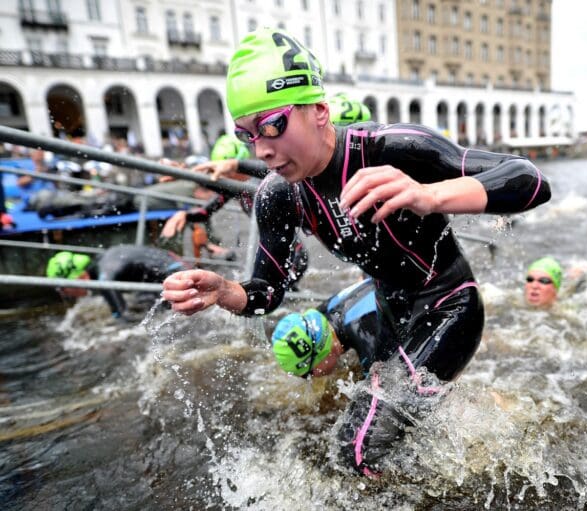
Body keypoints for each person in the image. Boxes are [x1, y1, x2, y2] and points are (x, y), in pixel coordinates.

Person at [162, 28, 550, 476]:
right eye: (247, 135)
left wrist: (428, 194)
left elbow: (531, 181)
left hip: (449, 305)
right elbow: (267, 291)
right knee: (380, 422)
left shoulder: (391, 148)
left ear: (320, 111)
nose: (262, 149)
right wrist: (225, 290)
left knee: (356, 451)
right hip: (387, 308)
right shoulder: (278, 195)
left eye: (272, 125)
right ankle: (478, 417)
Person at [160, 134, 252, 260]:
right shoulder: (235, 189)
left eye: (226, 172)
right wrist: (185, 215)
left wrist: (188, 174)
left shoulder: (261, 184)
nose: (222, 178)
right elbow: (205, 212)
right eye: (217, 172)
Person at [47, 245, 190, 320]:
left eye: (64, 289)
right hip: (174, 265)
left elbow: (123, 316)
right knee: (144, 303)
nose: (66, 294)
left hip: (177, 275)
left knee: (157, 315)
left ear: (78, 277)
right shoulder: (101, 263)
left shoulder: (104, 279)